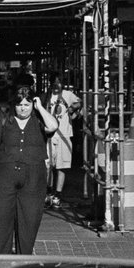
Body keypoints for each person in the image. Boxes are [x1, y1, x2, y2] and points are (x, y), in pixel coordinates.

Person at [0, 85, 57, 255]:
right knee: (0, 221)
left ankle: (24, 260)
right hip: (4, 178)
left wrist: (40, 107)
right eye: (19, 104)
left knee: (29, 222)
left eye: (27, 104)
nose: (23, 108)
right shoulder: (4, 118)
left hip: (33, 179)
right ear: (13, 104)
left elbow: (53, 127)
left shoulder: (39, 119)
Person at [44, 77, 81, 207]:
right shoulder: (46, 96)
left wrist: (72, 109)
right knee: (48, 166)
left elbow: (79, 103)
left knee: (62, 166)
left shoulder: (68, 94)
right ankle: (48, 192)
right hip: (50, 135)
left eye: (58, 82)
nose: (56, 84)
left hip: (64, 134)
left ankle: (57, 195)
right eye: (53, 82)